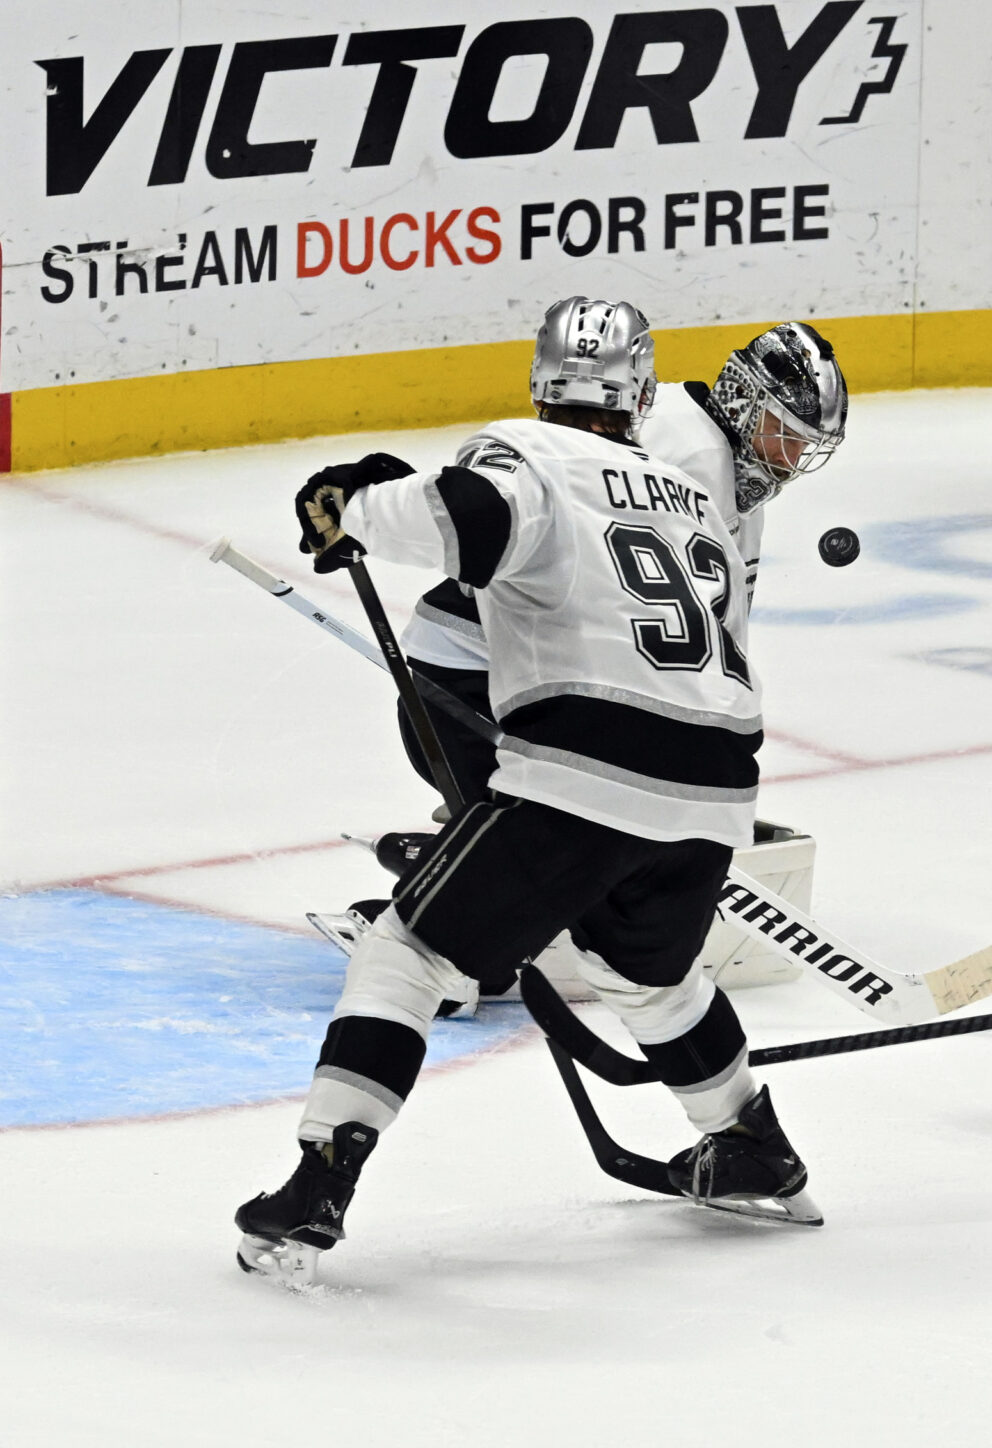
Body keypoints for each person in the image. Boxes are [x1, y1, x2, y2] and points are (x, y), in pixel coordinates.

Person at [235, 298, 820, 1286]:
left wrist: (350, 503)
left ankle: (322, 1173)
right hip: (717, 778)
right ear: (639, 391)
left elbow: (472, 517)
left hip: (588, 763)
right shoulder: (696, 500)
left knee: (408, 947)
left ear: (545, 385)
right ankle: (753, 1142)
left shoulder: (533, 451)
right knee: (651, 972)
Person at [345, 321, 849, 1008]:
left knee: (595, 851)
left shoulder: (732, 487)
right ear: (742, 401)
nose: (789, 458)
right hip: (464, 685)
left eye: (804, 446)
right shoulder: (672, 446)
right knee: (549, 875)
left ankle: (460, 860)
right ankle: (438, 890)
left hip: (540, 693)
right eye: (782, 433)